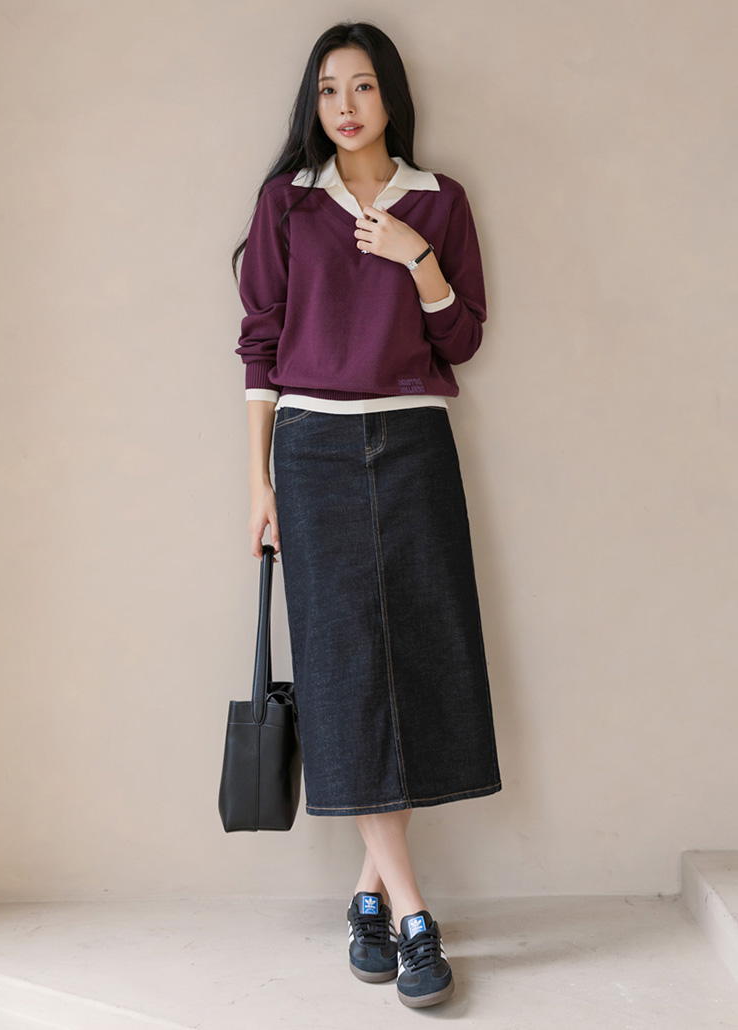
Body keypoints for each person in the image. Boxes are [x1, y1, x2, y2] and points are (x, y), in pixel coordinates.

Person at [231, 20, 501, 1009]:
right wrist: (258, 483)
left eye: (362, 87)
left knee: (415, 662)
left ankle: (367, 898)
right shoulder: (288, 203)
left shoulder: (438, 201)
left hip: (416, 442)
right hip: (311, 451)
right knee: (346, 671)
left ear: (391, 96)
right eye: (328, 90)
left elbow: (461, 337)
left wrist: (413, 253)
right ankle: (415, 913)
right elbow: (259, 346)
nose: (345, 106)